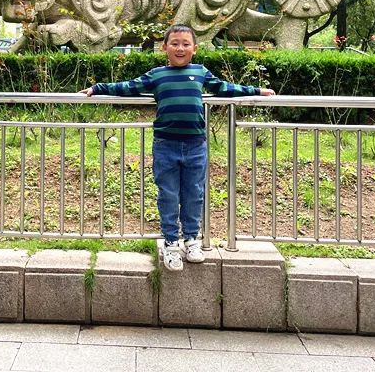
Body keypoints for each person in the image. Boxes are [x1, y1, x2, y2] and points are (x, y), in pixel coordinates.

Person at [79, 24, 276, 271]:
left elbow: (225, 88)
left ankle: (191, 239)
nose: (180, 48)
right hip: (165, 145)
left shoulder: (200, 71)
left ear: (195, 48)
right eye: (174, 43)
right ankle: (171, 242)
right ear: (164, 48)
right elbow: (128, 87)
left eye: (185, 44)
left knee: (194, 194)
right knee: (169, 194)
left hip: (195, 145)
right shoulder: (157, 75)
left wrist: (256, 91)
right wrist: (98, 88)